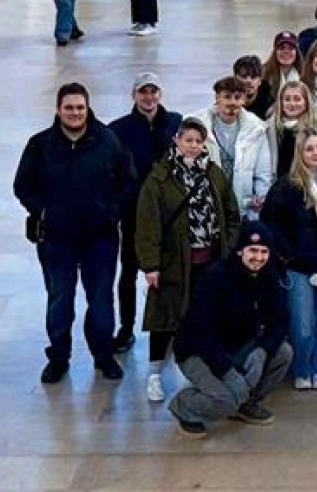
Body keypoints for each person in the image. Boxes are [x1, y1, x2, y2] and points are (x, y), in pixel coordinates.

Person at [13, 83, 134, 384]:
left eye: (80, 107)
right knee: (59, 301)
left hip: (100, 239)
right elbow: (22, 186)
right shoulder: (40, 144)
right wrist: (44, 212)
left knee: (102, 301)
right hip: (56, 241)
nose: (75, 113)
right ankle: (58, 357)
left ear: (88, 108)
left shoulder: (108, 141)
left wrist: (112, 212)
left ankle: (103, 356)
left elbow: (129, 182)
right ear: (58, 110)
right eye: (69, 107)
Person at [135, 116, 240, 403]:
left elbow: (231, 213)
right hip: (173, 261)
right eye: (188, 140)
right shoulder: (159, 178)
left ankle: (202, 366)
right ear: (177, 141)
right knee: (164, 318)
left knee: (204, 314)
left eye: (198, 141)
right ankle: (155, 373)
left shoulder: (213, 174)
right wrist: (151, 264)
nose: (193, 146)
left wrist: (227, 249)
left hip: (209, 260)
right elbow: (147, 224)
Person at [168, 222, 293, 437]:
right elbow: (201, 332)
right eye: (253, 250)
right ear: (240, 250)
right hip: (197, 352)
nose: (259, 257)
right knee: (224, 399)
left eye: (264, 252)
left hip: (238, 346)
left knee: (283, 353)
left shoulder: (269, 276)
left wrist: (262, 351)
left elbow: (279, 322)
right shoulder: (215, 277)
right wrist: (227, 371)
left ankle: (245, 402)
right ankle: (184, 406)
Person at [260, 130, 317, 390]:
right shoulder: (287, 186)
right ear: (300, 153)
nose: (316, 153)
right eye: (309, 149)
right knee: (303, 323)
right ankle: (302, 369)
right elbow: (270, 225)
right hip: (299, 268)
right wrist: (289, 256)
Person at [108, 74, 182, 356]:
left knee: (170, 271)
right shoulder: (119, 130)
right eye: (143, 92)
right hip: (134, 215)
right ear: (134, 95)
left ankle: (170, 325)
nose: (148, 97)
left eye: (153, 92)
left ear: (160, 94)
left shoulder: (175, 122)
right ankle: (126, 328)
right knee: (128, 271)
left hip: (169, 214)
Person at [191, 76, 273, 221]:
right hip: (205, 210)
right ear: (217, 98)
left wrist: (255, 210)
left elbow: (263, 174)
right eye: (227, 97)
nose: (232, 102)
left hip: (243, 210)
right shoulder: (196, 126)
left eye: (237, 97)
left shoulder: (257, 129)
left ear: (244, 100)